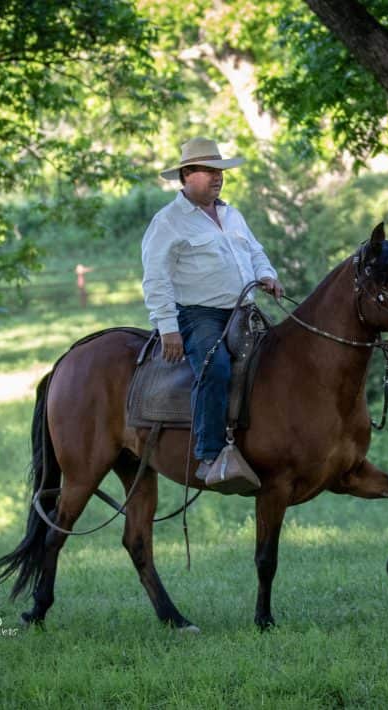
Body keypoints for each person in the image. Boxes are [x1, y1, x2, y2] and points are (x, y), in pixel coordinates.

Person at [141, 137, 284, 482]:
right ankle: (210, 454)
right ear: (187, 175)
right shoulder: (168, 221)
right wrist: (168, 327)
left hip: (244, 310)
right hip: (198, 314)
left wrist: (267, 274)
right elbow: (155, 277)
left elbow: (254, 251)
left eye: (219, 171)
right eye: (208, 171)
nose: (217, 177)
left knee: (282, 358)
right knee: (214, 367)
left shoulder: (231, 214)